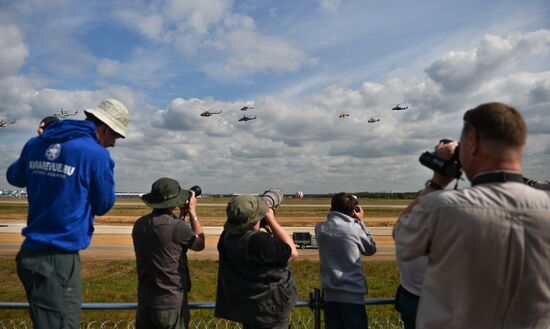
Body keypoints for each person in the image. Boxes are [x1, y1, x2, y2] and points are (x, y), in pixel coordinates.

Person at [394, 102, 550, 328]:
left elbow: (402, 237)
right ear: (521, 146)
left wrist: (438, 181)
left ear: (472, 142)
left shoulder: (441, 208)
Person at [6, 98, 129, 329]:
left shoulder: (37, 142)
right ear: (104, 129)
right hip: (58, 257)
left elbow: (14, 177)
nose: (113, 144)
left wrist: (41, 146)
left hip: (29, 253)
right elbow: (103, 205)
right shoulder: (95, 154)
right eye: (115, 137)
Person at [214, 194, 298, 329]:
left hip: (247, 307)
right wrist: (271, 220)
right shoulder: (260, 243)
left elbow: (244, 232)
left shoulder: (226, 238)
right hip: (269, 310)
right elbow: (292, 253)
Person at [132, 177, 205, 329]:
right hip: (170, 304)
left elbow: (165, 237)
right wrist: (192, 213)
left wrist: (180, 217)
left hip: (146, 302)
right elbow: (199, 244)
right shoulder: (176, 227)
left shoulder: (140, 224)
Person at [315, 193, 377, 329]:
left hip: (330, 296)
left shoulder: (320, 229)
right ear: (353, 211)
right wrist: (361, 222)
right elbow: (371, 249)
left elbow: (332, 222)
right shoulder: (354, 228)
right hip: (352, 296)